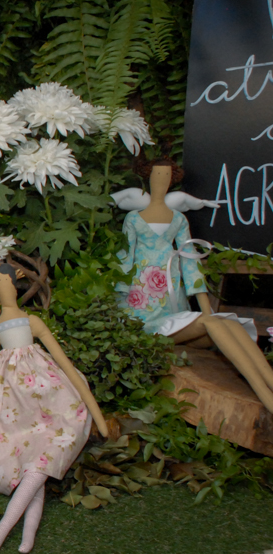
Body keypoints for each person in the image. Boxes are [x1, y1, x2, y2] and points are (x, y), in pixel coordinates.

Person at [0, 262, 109, 554]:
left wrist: (96, 412)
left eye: (6, 282)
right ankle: (23, 537)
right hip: (13, 405)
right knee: (36, 463)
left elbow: (65, 364)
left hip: (48, 395)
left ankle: (5, 535)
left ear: (15, 284)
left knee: (43, 459)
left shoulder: (32, 322)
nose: (3, 288)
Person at [116, 159, 273, 413]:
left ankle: (269, 383)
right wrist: (120, 316)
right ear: (148, 177)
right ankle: (266, 396)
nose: (161, 179)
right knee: (211, 322)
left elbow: (190, 264)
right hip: (143, 318)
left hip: (173, 305)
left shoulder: (178, 219)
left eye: (166, 175)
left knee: (226, 322)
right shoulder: (133, 219)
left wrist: (203, 306)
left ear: (172, 180)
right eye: (157, 174)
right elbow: (124, 258)